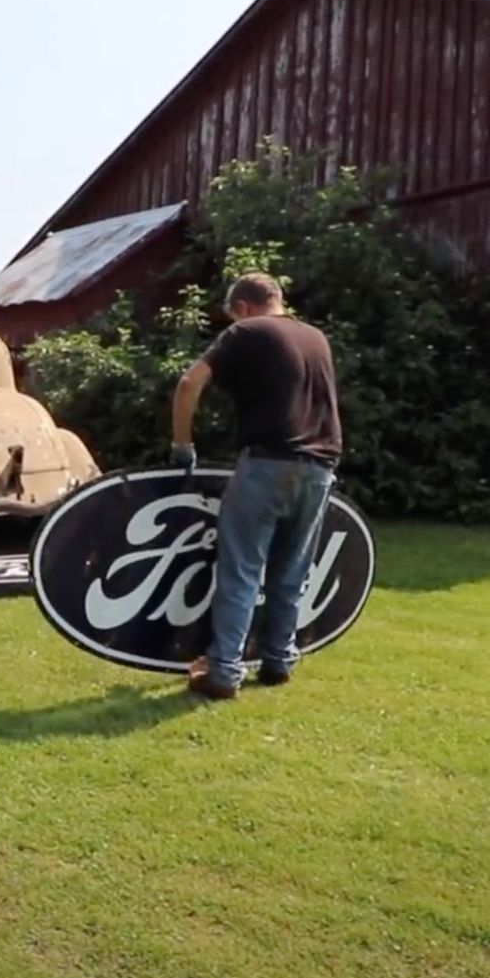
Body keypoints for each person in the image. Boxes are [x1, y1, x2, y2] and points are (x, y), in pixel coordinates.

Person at [169, 272, 342, 700]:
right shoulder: (316, 337)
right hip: (321, 466)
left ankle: (224, 672)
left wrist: (182, 445)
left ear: (243, 308)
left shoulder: (245, 331)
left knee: (242, 566)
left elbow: (189, 382)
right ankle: (279, 660)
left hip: (267, 462)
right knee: (292, 571)